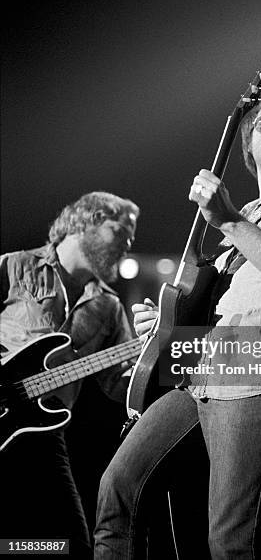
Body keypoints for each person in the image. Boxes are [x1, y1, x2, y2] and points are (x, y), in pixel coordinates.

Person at [94, 88, 261, 559]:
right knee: (118, 492)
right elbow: (219, 304)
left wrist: (227, 219)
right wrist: (167, 326)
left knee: (231, 540)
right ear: (248, 146)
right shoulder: (248, 214)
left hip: (255, 367)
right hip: (201, 369)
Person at [0, 191, 139, 558]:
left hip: (47, 435)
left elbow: (119, 386)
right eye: (121, 232)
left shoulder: (109, 307)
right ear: (90, 220)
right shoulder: (15, 266)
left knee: (68, 546)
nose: (127, 245)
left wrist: (156, 358)